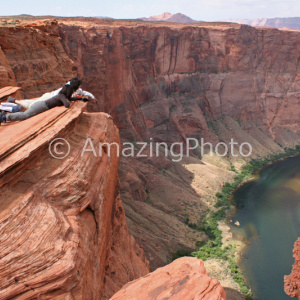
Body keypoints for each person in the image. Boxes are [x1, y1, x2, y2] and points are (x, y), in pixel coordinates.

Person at [1, 79, 89, 124]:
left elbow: (69, 99)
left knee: (26, 110)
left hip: (42, 105)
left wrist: (81, 99)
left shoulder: (63, 95)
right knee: (25, 116)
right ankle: (4, 117)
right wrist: (68, 101)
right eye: (78, 86)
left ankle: (8, 111)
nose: (78, 88)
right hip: (41, 106)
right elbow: (66, 104)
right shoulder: (61, 96)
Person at [8, 77, 95, 110]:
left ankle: (14, 102)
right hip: (48, 98)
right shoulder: (68, 89)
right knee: (31, 106)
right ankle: (14, 100)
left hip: (48, 96)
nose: (79, 88)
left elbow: (83, 92)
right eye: (79, 86)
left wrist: (88, 97)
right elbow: (67, 99)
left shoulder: (73, 89)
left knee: (32, 102)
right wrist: (77, 98)